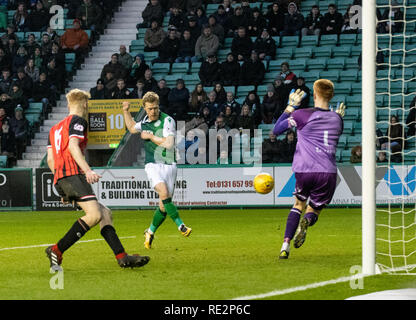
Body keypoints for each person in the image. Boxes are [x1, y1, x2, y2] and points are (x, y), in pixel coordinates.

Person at [45, 89, 150, 269]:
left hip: (63, 177)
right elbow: (72, 146)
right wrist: (87, 170)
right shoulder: (78, 121)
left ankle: (122, 257)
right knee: (94, 215)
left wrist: (63, 185)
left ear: (69, 104)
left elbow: (50, 160)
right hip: (73, 175)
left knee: (105, 214)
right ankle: (56, 249)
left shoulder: (54, 129)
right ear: (85, 104)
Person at [272, 80, 345, 259]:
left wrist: (290, 106)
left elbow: (276, 129)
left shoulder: (302, 114)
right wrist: (339, 117)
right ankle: (307, 221)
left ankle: (285, 246)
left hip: (305, 169)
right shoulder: (338, 120)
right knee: (314, 209)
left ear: (314, 95)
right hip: (327, 172)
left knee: (298, 204)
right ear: (331, 96)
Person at [123, 92, 192, 249]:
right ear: (144, 108)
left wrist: (151, 137)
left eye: (155, 108)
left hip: (169, 164)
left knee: (163, 206)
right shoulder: (145, 122)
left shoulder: (167, 120)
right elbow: (132, 128)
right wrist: (126, 111)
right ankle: (181, 225)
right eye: (149, 109)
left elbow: (168, 144)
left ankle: (150, 232)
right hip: (152, 164)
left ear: (158, 106)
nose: (153, 111)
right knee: (163, 191)